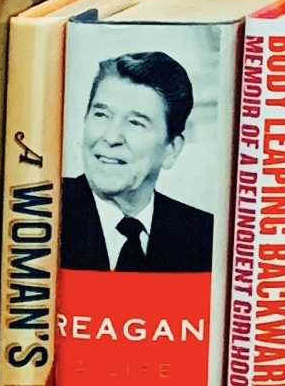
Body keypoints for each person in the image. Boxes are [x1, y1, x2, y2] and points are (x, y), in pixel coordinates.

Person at [59, 46, 214, 273]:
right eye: (101, 115)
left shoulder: (204, 236)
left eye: (136, 123)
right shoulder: (42, 211)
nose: (111, 137)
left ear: (171, 149)